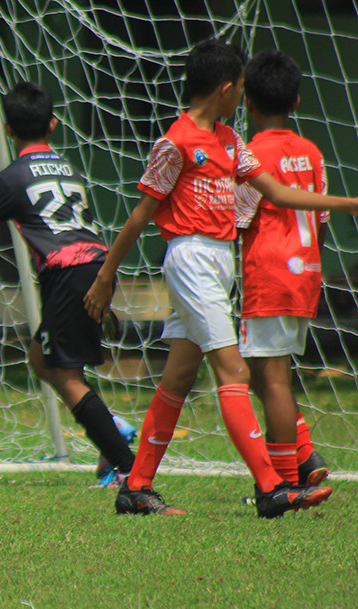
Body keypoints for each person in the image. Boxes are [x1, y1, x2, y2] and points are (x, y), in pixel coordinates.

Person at [84, 38, 355, 518]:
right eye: (240, 89)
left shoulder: (230, 141)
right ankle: (273, 488)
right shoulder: (176, 142)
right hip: (189, 258)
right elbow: (142, 214)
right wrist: (107, 276)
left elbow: (277, 192)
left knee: (180, 375)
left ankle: (137, 486)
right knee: (234, 371)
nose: (242, 99)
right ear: (228, 89)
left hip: (217, 262)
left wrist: (349, 204)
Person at [0, 81, 138, 489]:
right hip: (96, 267)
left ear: (6, 129)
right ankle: (114, 429)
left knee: (65, 376)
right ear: (53, 125)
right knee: (40, 357)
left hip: (67, 276)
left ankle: (126, 466)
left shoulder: (11, 178)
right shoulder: (68, 167)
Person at [235, 50, 330, 487]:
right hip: (305, 272)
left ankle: (284, 483)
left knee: (270, 380)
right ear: (295, 103)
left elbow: (238, 219)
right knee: (265, 373)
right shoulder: (310, 151)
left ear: (247, 102)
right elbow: (322, 220)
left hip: (269, 274)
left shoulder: (252, 156)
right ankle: (305, 458)